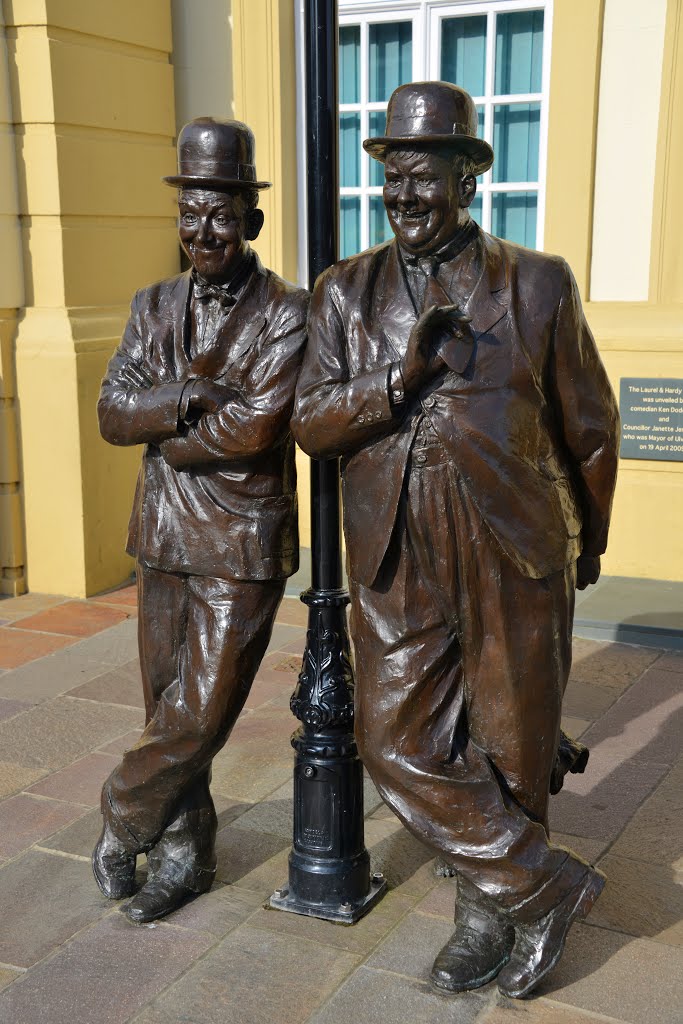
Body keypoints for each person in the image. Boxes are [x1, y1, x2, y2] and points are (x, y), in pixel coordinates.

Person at [292, 82, 619, 999]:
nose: (404, 196)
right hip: (394, 540)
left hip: (512, 536)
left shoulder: (536, 280)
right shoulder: (343, 293)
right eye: (393, 178)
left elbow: (589, 424)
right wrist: (395, 379)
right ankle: (541, 885)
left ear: (467, 180)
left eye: (424, 178)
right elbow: (312, 422)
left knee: (513, 741)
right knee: (390, 733)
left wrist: (586, 538)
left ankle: (488, 913)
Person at [92, 117, 308, 924]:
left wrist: (173, 444)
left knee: (200, 712)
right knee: (166, 708)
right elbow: (114, 414)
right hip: (161, 535)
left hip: (241, 539)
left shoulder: (288, 311)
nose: (202, 231)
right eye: (190, 213)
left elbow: (257, 427)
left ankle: (121, 812)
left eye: (220, 214)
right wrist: (184, 398)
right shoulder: (152, 304)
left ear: (250, 220)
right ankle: (185, 851)